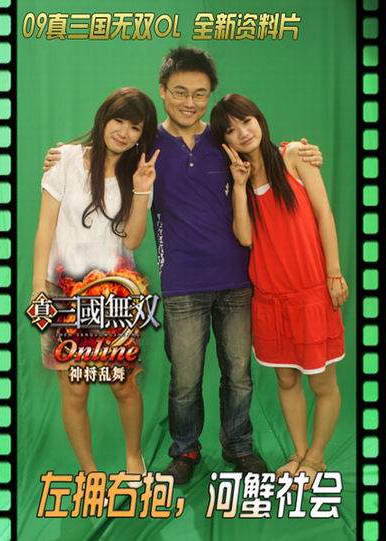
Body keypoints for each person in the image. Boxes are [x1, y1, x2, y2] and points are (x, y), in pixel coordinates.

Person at [42, 47, 324, 485]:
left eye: (199, 94)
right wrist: (62, 154)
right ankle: (185, 450)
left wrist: (301, 150)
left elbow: (264, 149)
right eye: (179, 92)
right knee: (185, 379)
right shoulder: (146, 146)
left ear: (209, 95)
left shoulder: (224, 140)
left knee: (239, 375)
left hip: (238, 280)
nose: (189, 102)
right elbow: (107, 150)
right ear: (163, 90)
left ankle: (239, 445)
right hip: (181, 284)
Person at [210, 93, 348, 489]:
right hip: (269, 297)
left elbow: (324, 214)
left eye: (246, 121)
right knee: (286, 381)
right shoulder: (237, 179)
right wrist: (240, 186)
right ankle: (298, 454)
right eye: (231, 130)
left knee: (322, 383)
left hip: (311, 292)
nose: (243, 132)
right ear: (225, 141)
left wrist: (334, 273)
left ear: (259, 118)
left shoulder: (294, 156)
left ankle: (316, 457)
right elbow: (246, 237)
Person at [33, 87, 159, 487]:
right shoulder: (66, 160)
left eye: (134, 127)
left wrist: (141, 189)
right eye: (118, 120)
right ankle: (91, 473)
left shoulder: (138, 175)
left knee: (123, 384)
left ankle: (134, 457)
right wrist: (38, 288)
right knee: (75, 389)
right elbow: (45, 227)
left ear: (141, 135)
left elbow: (134, 239)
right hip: (62, 292)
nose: (123, 131)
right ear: (103, 119)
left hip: (114, 295)